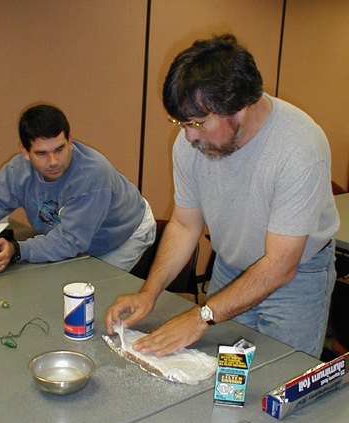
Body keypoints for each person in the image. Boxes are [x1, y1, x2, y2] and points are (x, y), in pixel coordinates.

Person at [105, 34, 339, 358]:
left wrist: (201, 316)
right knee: (216, 375)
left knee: (278, 383)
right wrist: (149, 292)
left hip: (296, 279)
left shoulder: (299, 149)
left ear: (239, 107)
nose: (187, 136)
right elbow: (186, 226)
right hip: (231, 268)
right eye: (181, 122)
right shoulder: (191, 143)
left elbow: (280, 265)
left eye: (198, 123)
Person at [0, 104, 156, 274]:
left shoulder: (91, 178)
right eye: (41, 154)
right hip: (79, 239)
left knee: (89, 296)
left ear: (70, 141)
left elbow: (68, 242)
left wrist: (17, 250)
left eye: (59, 149)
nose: (53, 161)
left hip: (124, 235)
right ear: (25, 151)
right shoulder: (19, 171)